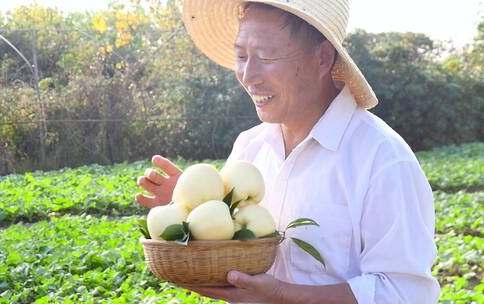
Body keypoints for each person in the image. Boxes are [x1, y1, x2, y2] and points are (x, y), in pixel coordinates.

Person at [136, 0, 440, 303]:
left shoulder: (382, 159)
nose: (248, 75)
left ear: (322, 58)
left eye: (266, 56)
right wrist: (190, 213)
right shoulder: (250, 146)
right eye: (241, 56)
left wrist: (281, 296)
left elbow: (406, 293)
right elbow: (236, 257)